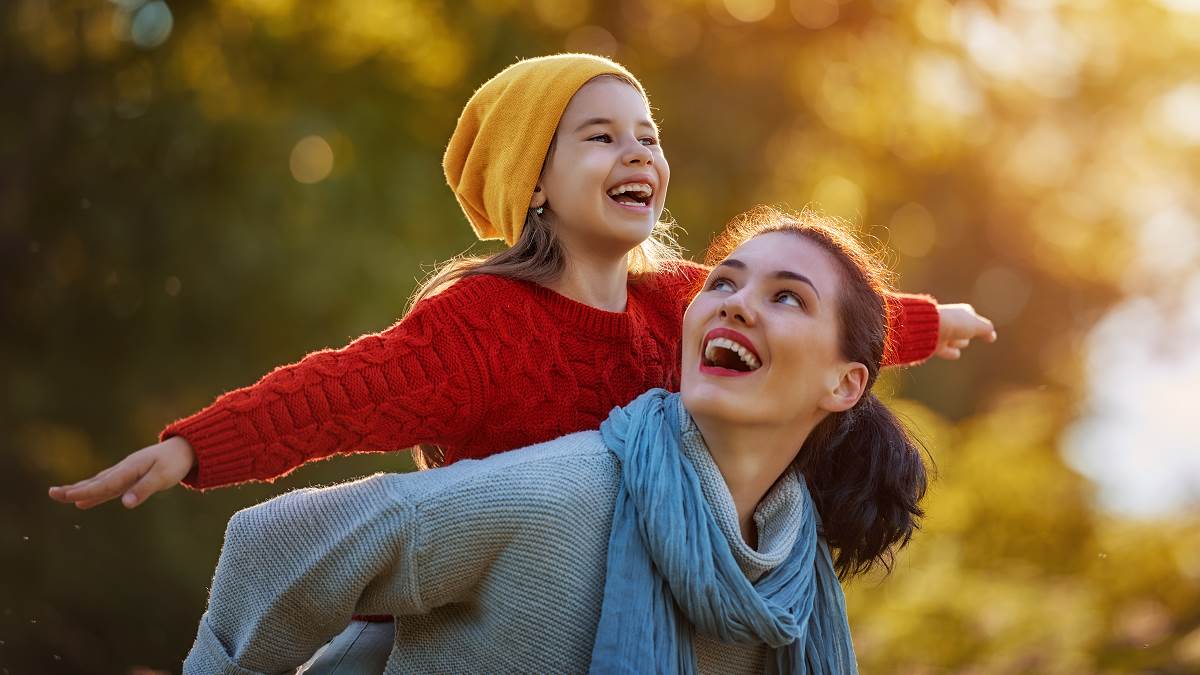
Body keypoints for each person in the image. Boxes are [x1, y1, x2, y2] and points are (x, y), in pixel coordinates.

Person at [48, 54, 991, 512]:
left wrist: (923, 321)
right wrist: (197, 448)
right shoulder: (481, 325)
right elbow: (339, 392)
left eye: (648, 136)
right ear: (532, 181)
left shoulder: (681, 301)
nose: (638, 153)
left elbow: (801, 317)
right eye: (602, 136)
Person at [184, 207, 930, 674]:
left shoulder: (791, 589)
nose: (735, 306)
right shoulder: (563, 494)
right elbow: (270, 545)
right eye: (724, 283)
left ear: (844, 386)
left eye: (785, 297)